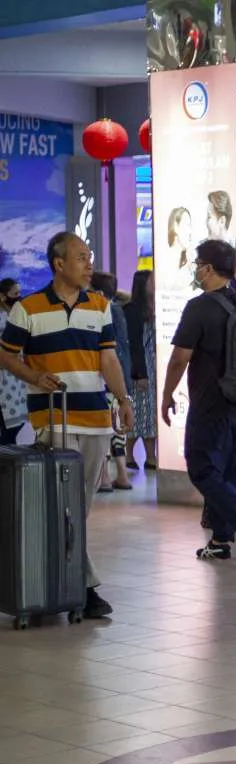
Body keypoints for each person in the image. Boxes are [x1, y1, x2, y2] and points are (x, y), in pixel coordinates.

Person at [0, 232, 131, 619]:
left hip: (93, 416)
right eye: (81, 257)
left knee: (80, 508)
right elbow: (6, 357)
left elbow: (108, 360)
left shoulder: (100, 305)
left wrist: (122, 399)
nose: (89, 264)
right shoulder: (29, 308)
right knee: (64, 506)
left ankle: (62, 582)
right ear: (59, 264)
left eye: (90, 256)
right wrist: (34, 376)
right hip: (53, 416)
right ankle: (83, 586)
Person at [160, 239, 236, 566]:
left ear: (208, 269)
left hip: (211, 403)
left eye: (198, 264)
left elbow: (180, 357)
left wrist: (167, 394)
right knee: (228, 471)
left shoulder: (199, 307)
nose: (196, 269)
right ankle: (222, 539)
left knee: (202, 469)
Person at [89, 273, 134, 492]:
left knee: (104, 428)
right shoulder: (119, 310)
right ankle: (123, 476)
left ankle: (105, 477)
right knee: (118, 430)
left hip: (107, 380)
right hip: (122, 379)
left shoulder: (103, 311)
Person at [124, 271, 157, 471]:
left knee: (149, 414)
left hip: (152, 368)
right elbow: (134, 344)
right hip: (140, 368)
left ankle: (149, 457)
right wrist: (140, 373)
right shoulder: (132, 310)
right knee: (137, 413)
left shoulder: (153, 307)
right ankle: (132, 456)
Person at [0, 279, 27, 445]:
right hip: (4, 381)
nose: (19, 297)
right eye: (15, 294)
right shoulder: (3, 318)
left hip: (17, 379)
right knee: (9, 430)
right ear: (3, 296)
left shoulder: (15, 315)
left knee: (14, 427)